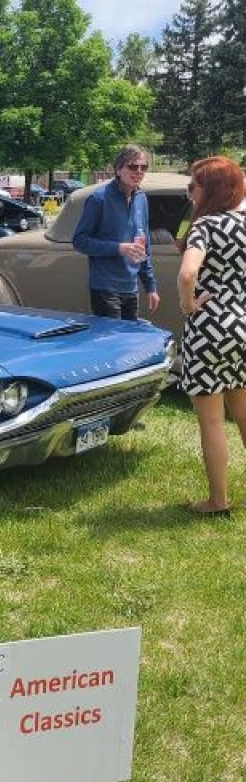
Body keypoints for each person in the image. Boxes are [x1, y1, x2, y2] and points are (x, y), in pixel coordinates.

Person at [177, 156, 246, 517]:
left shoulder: (204, 226)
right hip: (243, 328)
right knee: (245, 413)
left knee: (213, 421)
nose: (192, 190)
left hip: (210, 332)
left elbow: (189, 274)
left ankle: (218, 501)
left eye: (195, 184)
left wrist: (188, 306)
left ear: (211, 189)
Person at [73, 145, 160, 320]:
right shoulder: (99, 199)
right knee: (112, 342)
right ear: (119, 169)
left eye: (143, 167)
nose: (139, 172)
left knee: (128, 343)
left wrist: (151, 287)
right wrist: (118, 248)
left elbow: (144, 246)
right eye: (133, 166)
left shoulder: (141, 199)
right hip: (105, 288)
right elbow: (79, 241)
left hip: (131, 288)